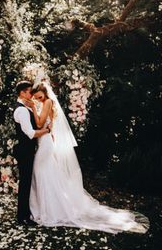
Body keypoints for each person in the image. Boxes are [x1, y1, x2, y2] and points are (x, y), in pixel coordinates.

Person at [25, 82, 149, 234]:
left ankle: (49, 209)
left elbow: (38, 124)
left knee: (41, 172)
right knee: (46, 173)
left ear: (44, 93)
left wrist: (32, 108)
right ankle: (48, 206)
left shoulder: (47, 102)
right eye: (36, 97)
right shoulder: (44, 103)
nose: (37, 98)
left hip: (45, 144)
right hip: (45, 142)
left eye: (39, 96)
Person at [13, 81, 50, 226]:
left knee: (27, 183)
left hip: (26, 150)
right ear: (22, 93)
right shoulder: (21, 110)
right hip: (24, 151)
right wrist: (47, 131)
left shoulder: (24, 108)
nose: (32, 95)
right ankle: (23, 217)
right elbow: (30, 133)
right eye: (29, 92)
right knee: (25, 184)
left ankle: (25, 214)